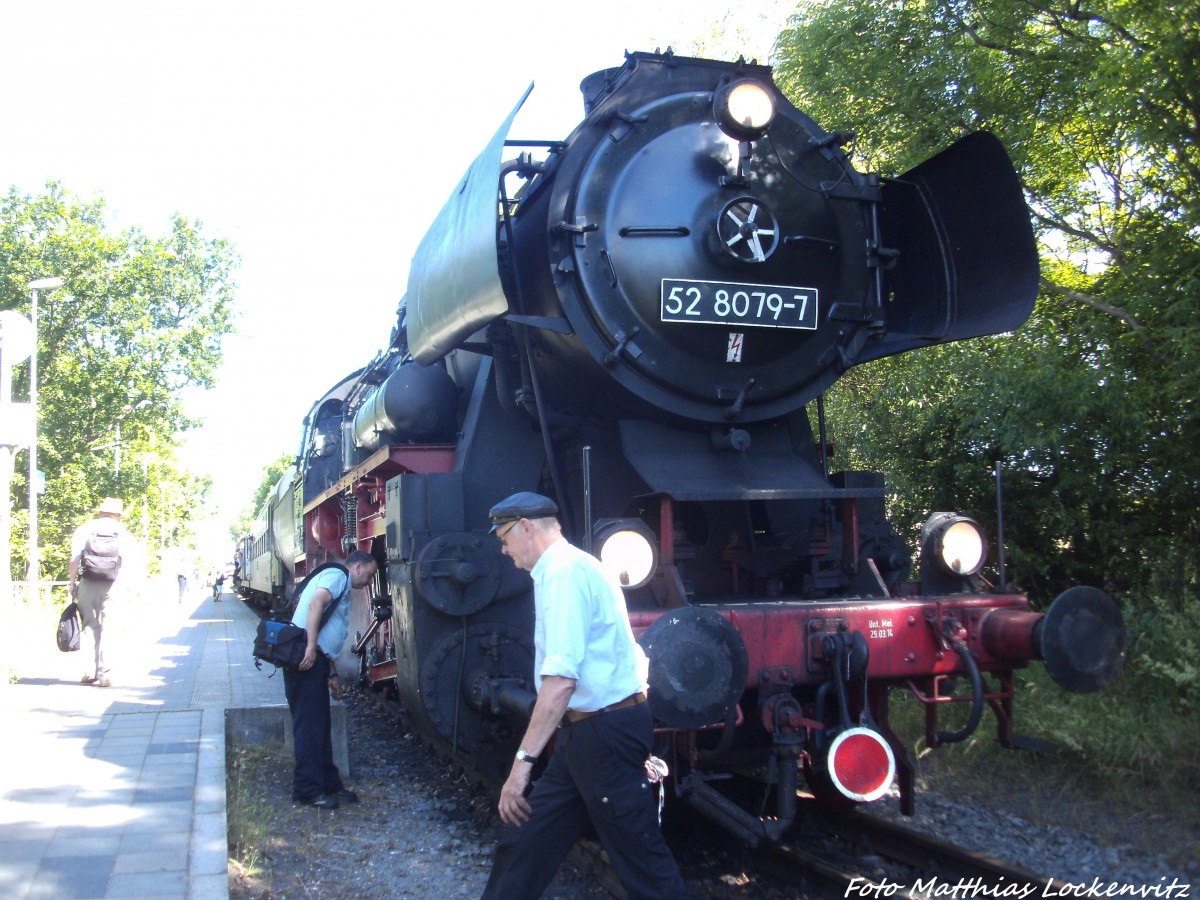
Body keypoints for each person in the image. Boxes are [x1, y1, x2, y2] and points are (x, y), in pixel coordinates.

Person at [481, 492, 689, 900]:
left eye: (504, 537)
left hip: (602, 734)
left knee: (643, 863)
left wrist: (521, 767)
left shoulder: (565, 574)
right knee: (526, 843)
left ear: (526, 527)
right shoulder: (570, 568)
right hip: (591, 734)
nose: (503, 550)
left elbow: (561, 682)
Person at [284, 549, 378, 809]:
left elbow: (329, 631)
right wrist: (310, 647)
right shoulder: (337, 576)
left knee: (320, 725)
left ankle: (328, 784)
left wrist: (332, 673)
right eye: (369, 575)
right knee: (309, 727)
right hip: (306, 661)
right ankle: (307, 790)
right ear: (358, 567)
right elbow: (316, 604)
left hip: (317, 661)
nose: (368, 582)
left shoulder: (340, 581)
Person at [67, 497, 128, 688]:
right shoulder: (124, 533)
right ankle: (105, 674)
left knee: (89, 625)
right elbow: (131, 564)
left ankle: (88, 672)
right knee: (110, 627)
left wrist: (72, 582)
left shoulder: (85, 529)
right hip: (114, 584)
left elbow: (74, 560)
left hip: (88, 582)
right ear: (118, 515)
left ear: (101, 512)